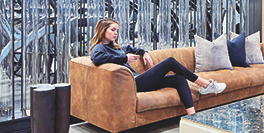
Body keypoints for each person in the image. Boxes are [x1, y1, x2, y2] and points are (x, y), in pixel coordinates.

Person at [89, 18, 225, 115]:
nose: (116, 33)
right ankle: (205, 84)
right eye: (113, 30)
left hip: (139, 80)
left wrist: (144, 53)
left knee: (178, 78)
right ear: (103, 30)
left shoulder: (117, 48)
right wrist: (124, 58)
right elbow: (97, 59)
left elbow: (131, 48)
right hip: (133, 84)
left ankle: (192, 116)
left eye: (117, 30)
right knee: (170, 62)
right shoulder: (99, 48)